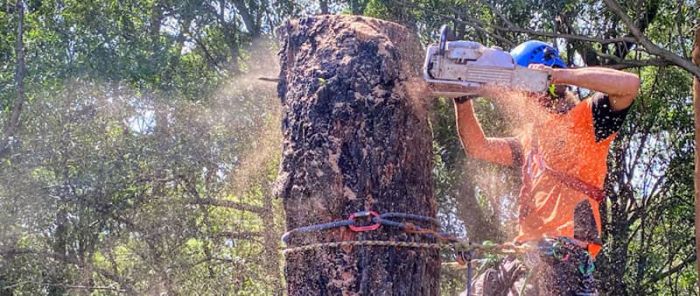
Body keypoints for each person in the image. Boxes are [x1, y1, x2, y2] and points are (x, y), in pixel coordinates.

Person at [455, 40, 640, 295]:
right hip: (521, 254)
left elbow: (630, 85)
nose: (519, 95)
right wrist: (462, 100)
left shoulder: (587, 119)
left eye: (523, 85)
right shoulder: (529, 139)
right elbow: (478, 147)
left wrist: (559, 75)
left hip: (563, 255)